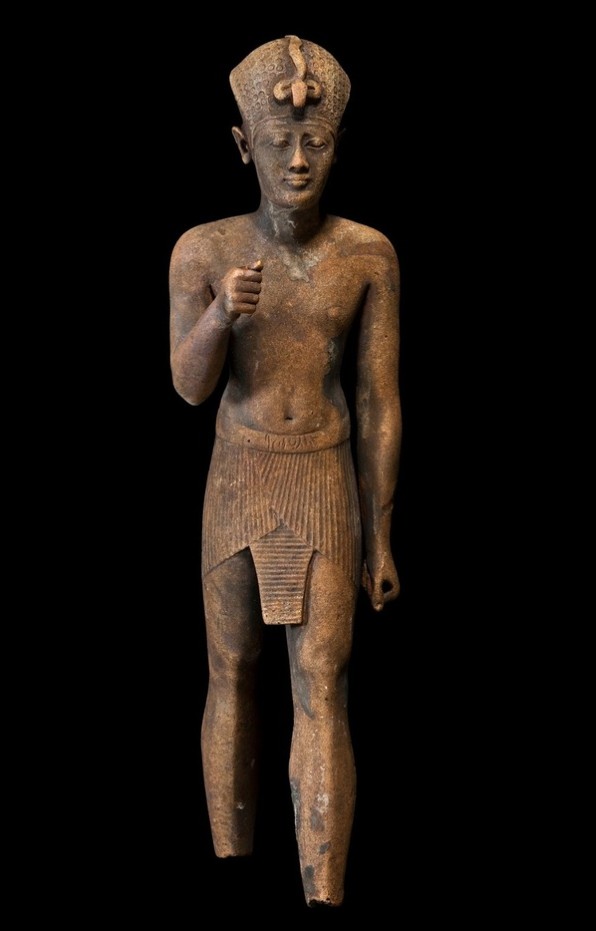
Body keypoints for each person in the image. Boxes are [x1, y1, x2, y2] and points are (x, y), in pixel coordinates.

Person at [169, 35, 401, 907]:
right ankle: (231, 862)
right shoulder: (204, 252)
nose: (298, 161)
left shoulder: (367, 255)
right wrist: (219, 316)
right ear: (244, 145)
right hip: (240, 472)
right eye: (279, 144)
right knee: (230, 665)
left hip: (324, 478)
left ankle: (324, 887)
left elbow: (379, 401)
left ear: (338, 147)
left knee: (323, 681)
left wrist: (382, 533)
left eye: (316, 143)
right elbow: (189, 386)